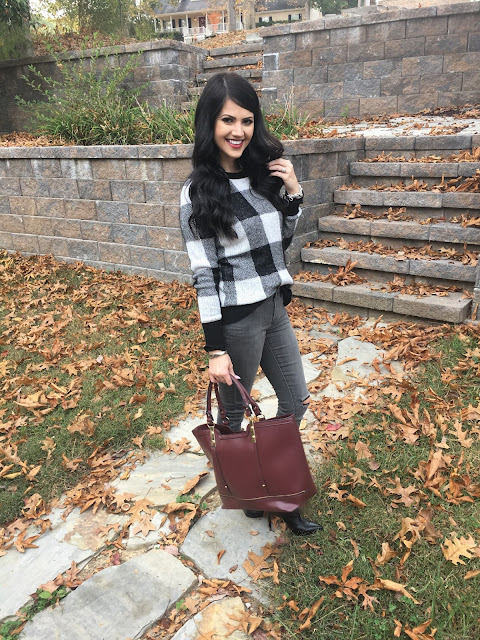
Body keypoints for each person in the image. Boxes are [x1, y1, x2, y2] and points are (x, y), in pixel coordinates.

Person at [180, 72, 322, 536]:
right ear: (210, 123)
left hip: (274, 308)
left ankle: (276, 487)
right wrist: (215, 349)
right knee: (233, 416)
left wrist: (293, 193)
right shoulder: (198, 191)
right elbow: (204, 273)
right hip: (237, 320)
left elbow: (280, 243)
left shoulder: (261, 175)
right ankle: (250, 490)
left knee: (295, 400)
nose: (238, 130)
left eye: (246, 120)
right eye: (228, 120)